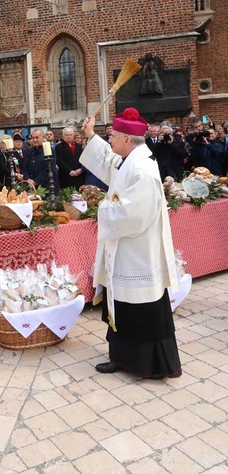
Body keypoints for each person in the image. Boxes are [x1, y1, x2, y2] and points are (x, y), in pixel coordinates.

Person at [81, 107, 181, 380]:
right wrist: (90, 136)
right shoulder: (129, 160)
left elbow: (133, 215)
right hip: (125, 251)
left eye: (112, 136)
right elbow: (108, 164)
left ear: (127, 139)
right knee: (123, 306)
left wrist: (102, 207)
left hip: (137, 253)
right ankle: (121, 357)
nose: (110, 140)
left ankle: (147, 364)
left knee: (140, 308)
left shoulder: (144, 170)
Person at [23, 129, 59, 194]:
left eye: (37, 137)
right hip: (32, 186)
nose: (34, 140)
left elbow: (49, 169)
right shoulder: (29, 151)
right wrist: (28, 179)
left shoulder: (49, 150)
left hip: (47, 186)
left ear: (43, 138)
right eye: (33, 138)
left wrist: (36, 182)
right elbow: (25, 167)